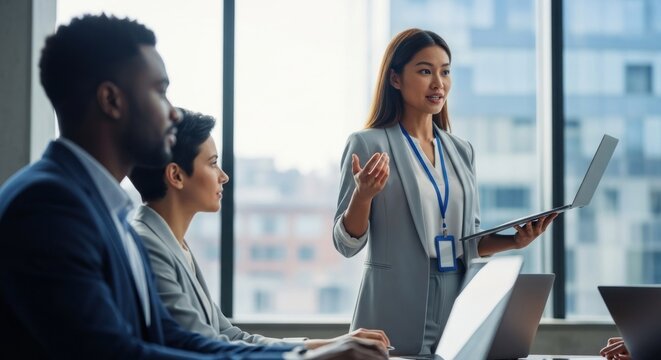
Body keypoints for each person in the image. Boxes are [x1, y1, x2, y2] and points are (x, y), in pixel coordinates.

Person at [0, 14, 385, 360]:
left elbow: (174, 338)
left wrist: (303, 356)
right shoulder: (48, 205)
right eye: (159, 90)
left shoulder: (105, 210)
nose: (173, 112)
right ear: (110, 100)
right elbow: (112, 353)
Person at [332, 28, 557, 356]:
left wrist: (514, 241)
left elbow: (470, 241)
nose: (439, 83)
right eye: (425, 71)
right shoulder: (368, 144)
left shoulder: (461, 150)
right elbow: (345, 243)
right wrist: (363, 196)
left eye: (445, 71)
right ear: (395, 79)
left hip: (457, 297)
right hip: (395, 301)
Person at [128, 109, 391, 353]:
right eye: (212, 163)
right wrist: (324, 354)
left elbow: (227, 334)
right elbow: (203, 344)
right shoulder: (147, 244)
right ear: (176, 176)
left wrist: (333, 344)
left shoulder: (174, 242)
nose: (223, 176)